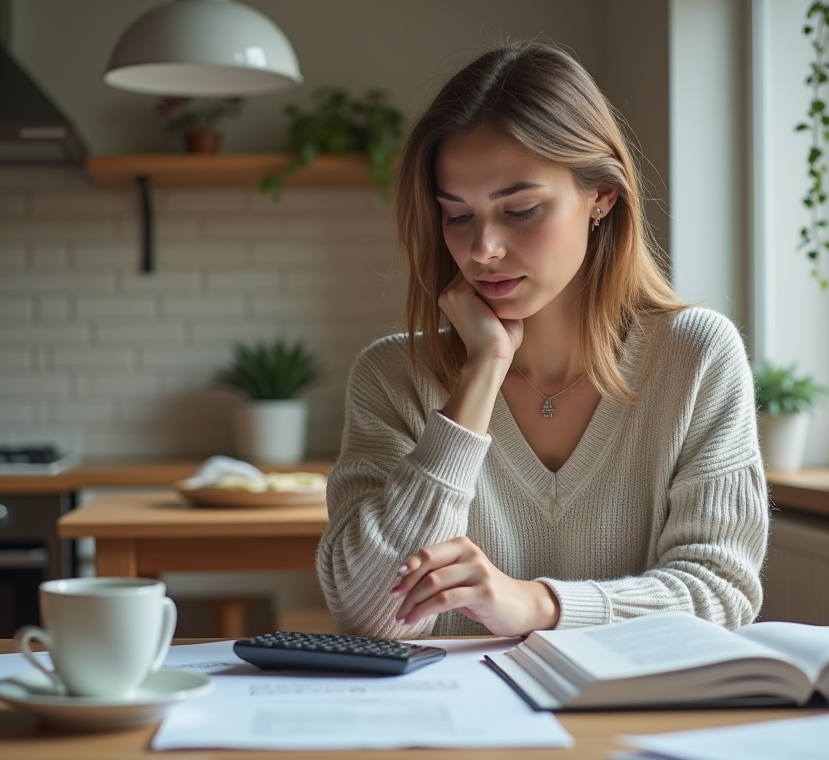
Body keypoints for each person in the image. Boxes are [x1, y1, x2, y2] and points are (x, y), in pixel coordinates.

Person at [316, 40, 768, 640]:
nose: (483, 250)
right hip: (454, 726)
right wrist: (481, 374)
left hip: (627, 720)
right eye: (457, 215)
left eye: (521, 209)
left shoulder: (697, 356)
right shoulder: (392, 375)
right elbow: (369, 613)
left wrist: (536, 605)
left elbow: (721, 589)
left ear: (601, 197)